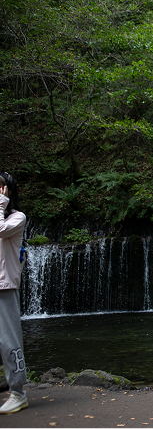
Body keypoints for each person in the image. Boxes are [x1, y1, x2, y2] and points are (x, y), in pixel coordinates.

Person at [0, 172, 28, 414]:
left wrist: (1, 205)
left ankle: (18, 392)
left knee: (9, 340)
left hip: (4, 285)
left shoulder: (17, 218)